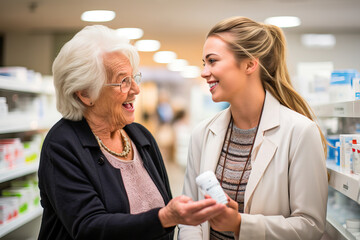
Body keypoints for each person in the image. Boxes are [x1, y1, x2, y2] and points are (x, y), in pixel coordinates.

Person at [37, 25, 226, 240]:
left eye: (134, 78)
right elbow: (89, 228)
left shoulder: (140, 136)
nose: (136, 89)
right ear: (85, 94)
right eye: (123, 81)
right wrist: (163, 218)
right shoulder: (62, 144)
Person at [178, 16, 328, 240]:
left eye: (212, 61)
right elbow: (190, 218)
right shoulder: (203, 133)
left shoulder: (300, 132)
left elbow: (310, 226)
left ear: (249, 64)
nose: (204, 72)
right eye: (204, 63)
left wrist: (240, 224)